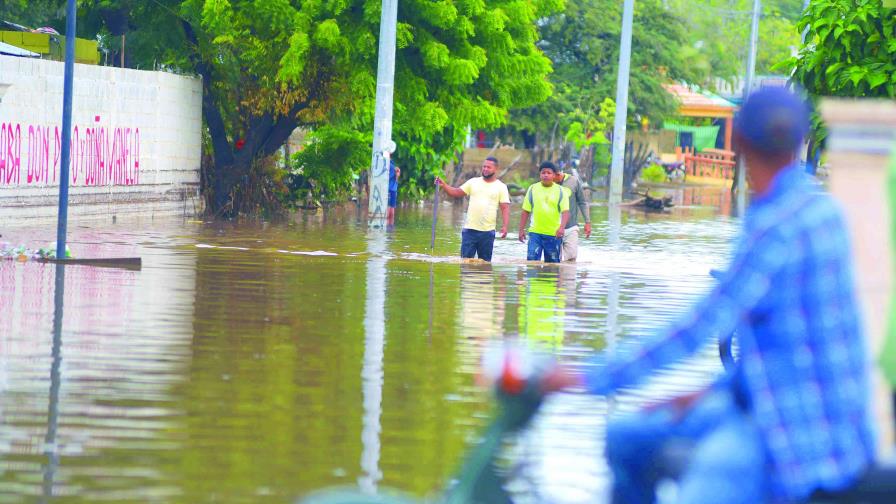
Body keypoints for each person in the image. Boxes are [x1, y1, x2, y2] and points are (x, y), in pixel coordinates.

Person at [560, 87, 876, 504]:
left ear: (739, 142)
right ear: (803, 140)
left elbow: (697, 327)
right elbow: (788, 342)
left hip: (788, 424)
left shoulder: (778, 224)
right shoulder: (819, 212)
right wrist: (712, 391)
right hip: (752, 398)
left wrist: (582, 377)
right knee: (625, 436)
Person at [436, 157, 511, 262]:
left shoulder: (501, 187)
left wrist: (505, 226)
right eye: (484, 166)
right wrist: (444, 185)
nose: (485, 169)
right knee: (465, 262)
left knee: (485, 265)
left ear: (496, 169)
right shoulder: (473, 182)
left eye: (488, 167)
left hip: (487, 233)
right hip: (469, 231)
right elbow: (456, 193)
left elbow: (505, 208)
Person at [519, 162, 570, 263]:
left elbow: (565, 212)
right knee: (532, 263)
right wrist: (521, 230)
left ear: (554, 175)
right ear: (539, 175)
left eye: (549, 173)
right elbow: (526, 211)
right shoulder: (532, 188)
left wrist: (561, 228)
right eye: (543, 173)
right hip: (535, 233)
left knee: (553, 265)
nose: (546, 175)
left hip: (554, 234)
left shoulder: (561, 191)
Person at [553, 166, 592, 261]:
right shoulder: (546, 184)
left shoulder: (573, 181)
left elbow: (582, 202)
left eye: (551, 177)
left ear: (557, 174)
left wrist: (587, 222)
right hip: (553, 228)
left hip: (571, 227)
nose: (548, 179)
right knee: (555, 259)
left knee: (571, 256)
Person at [387, 159, 400, 225]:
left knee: (388, 207)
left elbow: (387, 178)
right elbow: (397, 180)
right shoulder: (396, 169)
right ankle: (391, 224)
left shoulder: (390, 167)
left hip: (388, 189)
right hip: (394, 190)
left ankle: (388, 224)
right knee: (392, 207)